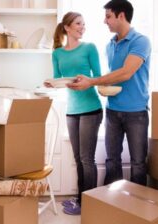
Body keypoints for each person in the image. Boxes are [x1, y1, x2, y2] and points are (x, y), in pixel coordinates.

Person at [68, 0, 151, 186]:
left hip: (136, 112)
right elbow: (112, 76)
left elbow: (126, 72)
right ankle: (112, 205)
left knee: (138, 162)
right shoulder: (110, 45)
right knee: (112, 160)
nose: (105, 21)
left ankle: (137, 207)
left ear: (121, 16)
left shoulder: (141, 41)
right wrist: (101, 86)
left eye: (108, 16)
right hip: (113, 110)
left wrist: (92, 82)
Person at [45, 11, 103, 215]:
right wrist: (50, 84)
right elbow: (58, 79)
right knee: (78, 159)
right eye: (78, 23)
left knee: (87, 159)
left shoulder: (90, 48)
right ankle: (81, 199)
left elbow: (98, 77)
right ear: (67, 27)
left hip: (91, 108)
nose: (82, 27)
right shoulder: (57, 53)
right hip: (72, 111)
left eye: (83, 24)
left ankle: (90, 203)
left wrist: (86, 81)